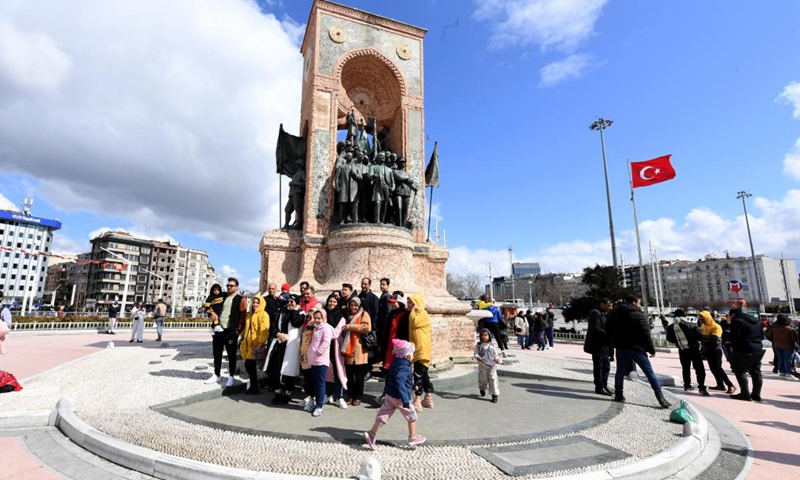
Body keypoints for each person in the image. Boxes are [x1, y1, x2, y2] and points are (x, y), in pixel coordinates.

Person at [607, 296, 670, 408]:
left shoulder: (615, 314)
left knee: (620, 372)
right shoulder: (638, 315)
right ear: (634, 302)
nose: (640, 305)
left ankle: (618, 395)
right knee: (650, 373)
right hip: (637, 349)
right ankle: (661, 398)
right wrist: (651, 349)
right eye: (639, 303)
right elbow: (646, 333)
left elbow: (609, 330)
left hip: (621, 348)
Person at [363, 339, 426, 450]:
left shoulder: (396, 362)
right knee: (412, 415)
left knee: (383, 415)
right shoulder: (405, 367)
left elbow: (398, 379)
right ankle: (412, 437)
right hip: (399, 397)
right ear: (407, 355)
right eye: (412, 354)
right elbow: (400, 381)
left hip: (390, 394)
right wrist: (405, 400)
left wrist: (411, 386)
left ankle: (372, 434)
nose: (413, 356)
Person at [205, 278, 247, 388]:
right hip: (218, 330)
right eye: (228, 285)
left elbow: (243, 317)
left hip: (231, 331)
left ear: (237, 287)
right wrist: (210, 314)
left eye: (231, 285)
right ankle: (217, 374)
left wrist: (238, 331)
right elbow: (210, 307)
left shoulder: (240, 299)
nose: (229, 287)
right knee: (217, 354)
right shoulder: (222, 297)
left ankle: (231, 376)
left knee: (231, 355)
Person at [264, 294, 305, 404]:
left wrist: (294, 311)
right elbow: (273, 326)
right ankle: (277, 392)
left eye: (293, 301)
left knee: (289, 371)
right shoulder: (281, 311)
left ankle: (287, 393)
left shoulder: (300, 313)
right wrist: (278, 334)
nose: (290, 303)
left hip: (291, 346)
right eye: (289, 301)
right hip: (279, 342)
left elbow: (296, 323)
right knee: (275, 370)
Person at [662, 309, 708, 395]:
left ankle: (687, 385)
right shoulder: (692, 325)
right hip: (694, 350)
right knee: (699, 369)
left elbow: (669, 338)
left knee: (686, 368)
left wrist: (678, 341)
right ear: (684, 316)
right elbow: (700, 337)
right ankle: (701, 387)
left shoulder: (671, 327)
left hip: (682, 350)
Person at [728, 300, 766, 401]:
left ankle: (745, 393)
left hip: (744, 350)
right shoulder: (756, 321)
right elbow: (762, 335)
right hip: (758, 349)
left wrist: (733, 348)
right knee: (756, 372)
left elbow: (735, 337)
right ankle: (756, 394)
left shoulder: (737, 321)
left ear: (734, 314)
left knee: (740, 371)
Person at [342, 297, 371, 406]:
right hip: (349, 348)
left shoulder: (364, 314)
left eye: (355, 305)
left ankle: (358, 396)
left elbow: (367, 327)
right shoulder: (349, 315)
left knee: (359, 376)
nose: (353, 307)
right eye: (352, 305)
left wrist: (350, 326)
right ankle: (350, 395)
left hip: (359, 349)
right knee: (350, 376)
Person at [698, 310, 735, 393]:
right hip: (707, 350)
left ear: (707, 317)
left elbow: (715, 339)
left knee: (718, 368)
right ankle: (720, 385)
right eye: (700, 318)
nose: (701, 319)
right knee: (713, 369)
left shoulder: (716, 326)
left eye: (702, 318)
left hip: (715, 350)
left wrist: (702, 337)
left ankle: (730, 384)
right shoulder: (703, 326)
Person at [408, 294, 434, 410]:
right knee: (424, 375)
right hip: (419, 349)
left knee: (418, 375)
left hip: (421, 349)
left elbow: (414, 323)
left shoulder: (422, 313)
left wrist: (413, 311)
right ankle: (428, 399)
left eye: (412, 303)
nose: (409, 305)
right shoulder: (418, 313)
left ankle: (417, 401)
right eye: (408, 303)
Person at [306, 308, 334, 417]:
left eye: (319, 318)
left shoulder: (326, 328)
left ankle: (319, 406)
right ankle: (317, 402)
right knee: (315, 382)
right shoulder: (316, 328)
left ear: (323, 318)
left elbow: (326, 342)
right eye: (316, 318)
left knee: (320, 383)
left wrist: (318, 352)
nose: (317, 320)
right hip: (314, 360)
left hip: (321, 360)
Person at [584, 298, 614, 396]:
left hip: (605, 345)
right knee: (599, 366)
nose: (610, 307)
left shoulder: (607, 314)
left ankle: (604, 385)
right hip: (598, 345)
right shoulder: (595, 313)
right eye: (609, 305)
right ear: (602, 304)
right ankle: (599, 386)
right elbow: (595, 328)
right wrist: (608, 334)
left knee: (606, 367)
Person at [240, 295, 270, 395]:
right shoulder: (250, 315)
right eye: (254, 302)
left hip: (256, 344)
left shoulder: (264, 314)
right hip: (248, 343)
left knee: (249, 364)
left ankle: (255, 385)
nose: (255, 304)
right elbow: (246, 328)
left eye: (257, 302)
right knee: (250, 366)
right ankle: (254, 385)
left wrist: (261, 343)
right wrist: (242, 336)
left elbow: (264, 330)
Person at [323, 294, 348, 409]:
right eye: (330, 301)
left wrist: (325, 332)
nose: (331, 303)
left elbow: (334, 334)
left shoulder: (341, 317)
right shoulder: (323, 315)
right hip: (324, 348)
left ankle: (340, 396)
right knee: (326, 371)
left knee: (338, 372)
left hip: (335, 348)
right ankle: (328, 394)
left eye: (334, 302)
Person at [766, 314, 798, 381]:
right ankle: (788, 373)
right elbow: (794, 339)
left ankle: (781, 372)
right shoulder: (790, 329)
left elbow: (768, 336)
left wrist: (774, 340)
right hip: (788, 346)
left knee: (780, 359)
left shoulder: (774, 329)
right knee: (788, 359)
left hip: (777, 345)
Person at [475, 328, 503, 403]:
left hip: (492, 366)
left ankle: (494, 395)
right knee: (482, 380)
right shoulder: (478, 346)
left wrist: (497, 359)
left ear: (489, 336)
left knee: (493, 380)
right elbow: (475, 354)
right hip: (482, 366)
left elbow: (495, 355)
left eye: (486, 335)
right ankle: (482, 389)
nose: (484, 336)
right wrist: (477, 357)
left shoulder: (492, 346)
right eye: (482, 335)